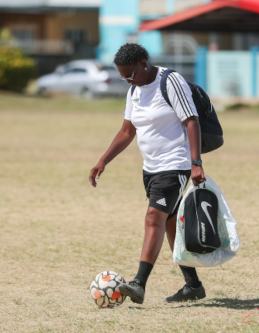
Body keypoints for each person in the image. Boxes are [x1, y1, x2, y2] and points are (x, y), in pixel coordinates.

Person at [88, 43, 206, 304]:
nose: (128, 80)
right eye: (123, 77)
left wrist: (196, 162)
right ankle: (193, 285)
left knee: (154, 217)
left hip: (175, 164)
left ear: (144, 63)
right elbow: (127, 132)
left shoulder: (171, 81)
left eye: (130, 74)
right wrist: (103, 161)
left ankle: (139, 283)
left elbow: (191, 120)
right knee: (169, 224)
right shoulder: (135, 90)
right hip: (150, 168)